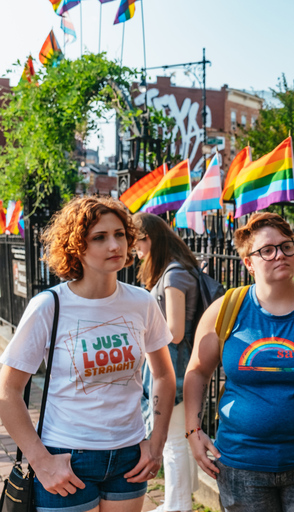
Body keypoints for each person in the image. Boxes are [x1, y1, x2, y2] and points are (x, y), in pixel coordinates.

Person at [0, 196, 176, 512]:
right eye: (100, 237)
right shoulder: (49, 306)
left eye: (120, 234)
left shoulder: (142, 302)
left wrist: (156, 444)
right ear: (76, 247)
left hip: (129, 456)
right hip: (67, 457)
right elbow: (7, 390)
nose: (115, 245)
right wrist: (41, 462)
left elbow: (163, 374)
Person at [183, 212, 294, 512]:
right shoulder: (225, 310)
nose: (279, 255)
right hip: (241, 467)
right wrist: (193, 430)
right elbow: (197, 371)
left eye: (286, 246)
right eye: (267, 250)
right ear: (249, 263)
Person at [133, 212, 201, 512]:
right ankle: (179, 500)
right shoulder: (176, 270)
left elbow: (174, 332)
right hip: (179, 365)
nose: (134, 250)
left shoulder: (173, 275)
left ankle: (178, 505)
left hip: (175, 367)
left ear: (151, 239)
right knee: (181, 439)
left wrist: (142, 330)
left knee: (173, 440)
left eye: (136, 243)